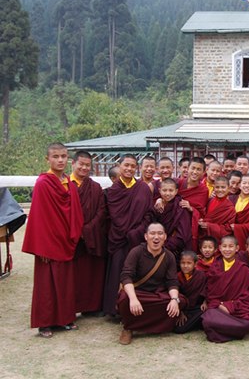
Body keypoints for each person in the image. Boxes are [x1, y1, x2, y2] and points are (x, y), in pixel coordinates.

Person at [22, 143, 84, 338]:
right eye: (56, 156)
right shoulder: (43, 183)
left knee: (66, 282)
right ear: (47, 159)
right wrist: (41, 248)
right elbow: (39, 218)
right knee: (46, 285)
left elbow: (76, 215)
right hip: (48, 244)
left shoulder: (69, 184)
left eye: (64, 156)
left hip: (65, 241)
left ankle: (65, 319)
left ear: (68, 160)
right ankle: (45, 323)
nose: (60, 160)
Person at [104, 154, 153, 317]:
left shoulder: (143, 188)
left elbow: (148, 214)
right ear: (120, 166)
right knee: (117, 270)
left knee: (135, 271)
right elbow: (114, 215)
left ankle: (134, 307)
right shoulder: (113, 190)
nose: (129, 169)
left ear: (136, 168)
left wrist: (137, 232)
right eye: (126, 165)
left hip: (137, 237)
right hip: (118, 238)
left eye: (133, 166)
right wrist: (125, 231)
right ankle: (115, 308)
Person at [117, 223, 183, 345]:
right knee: (125, 299)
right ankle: (128, 328)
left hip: (157, 293)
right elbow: (126, 276)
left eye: (160, 233)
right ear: (146, 236)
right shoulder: (136, 252)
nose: (156, 237)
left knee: (181, 300)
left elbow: (172, 281)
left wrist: (174, 299)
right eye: (152, 233)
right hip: (138, 292)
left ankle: (159, 326)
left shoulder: (169, 256)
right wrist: (133, 299)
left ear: (165, 237)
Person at [70, 150, 107, 315]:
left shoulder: (95, 187)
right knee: (73, 274)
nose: (84, 168)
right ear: (73, 164)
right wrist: (76, 231)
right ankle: (72, 306)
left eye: (87, 165)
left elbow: (101, 211)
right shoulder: (65, 185)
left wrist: (87, 229)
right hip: (70, 237)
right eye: (81, 164)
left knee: (91, 272)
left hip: (91, 236)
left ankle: (91, 307)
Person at [202, 236, 249, 343]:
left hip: (237, 308)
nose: (227, 249)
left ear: (237, 248)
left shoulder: (244, 270)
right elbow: (210, 292)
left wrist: (229, 306)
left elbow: (246, 296)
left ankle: (219, 331)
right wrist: (220, 305)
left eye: (231, 246)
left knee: (248, 324)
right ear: (220, 248)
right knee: (207, 318)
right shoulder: (215, 267)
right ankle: (231, 331)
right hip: (217, 308)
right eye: (225, 246)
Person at [153, 178, 192, 262]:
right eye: (164, 190)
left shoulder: (181, 207)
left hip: (174, 250)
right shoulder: (157, 206)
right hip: (157, 244)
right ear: (159, 190)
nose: (167, 193)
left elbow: (183, 234)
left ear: (176, 191)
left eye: (171, 190)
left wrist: (165, 246)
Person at [177, 157, 209, 252]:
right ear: (188, 169)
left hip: (190, 228)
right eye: (193, 168)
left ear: (204, 172)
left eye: (198, 169)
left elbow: (202, 212)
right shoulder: (178, 183)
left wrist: (191, 208)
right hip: (175, 224)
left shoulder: (203, 190)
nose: (195, 172)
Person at [174, 250, 207, 334]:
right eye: (183, 263)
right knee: (179, 329)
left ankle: (196, 322)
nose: (185, 266)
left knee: (206, 311)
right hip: (182, 308)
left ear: (195, 264)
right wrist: (180, 312)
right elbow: (176, 295)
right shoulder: (177, 277)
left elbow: (206, 289)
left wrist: (205, 301)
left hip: (197, 308)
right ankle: (197, 323)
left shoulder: (201, 275)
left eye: (189, 263)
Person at [198, 176, 235, 243]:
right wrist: (200, 220)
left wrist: (209, 226)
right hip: (203, 237)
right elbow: (203, 214)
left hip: (217, 241)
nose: (220, 190)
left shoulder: (230, 207)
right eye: (217, 187)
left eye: (223, 187)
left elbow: (228, 229)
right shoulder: (209, 201)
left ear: (228, 188)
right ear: (214, 188)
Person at [229, 174, 249, 249]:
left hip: (244, 237)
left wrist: (237, 227)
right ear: (239, 185)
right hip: (228, 234)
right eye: (244, 183)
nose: (246, 185)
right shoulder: (230, 199)